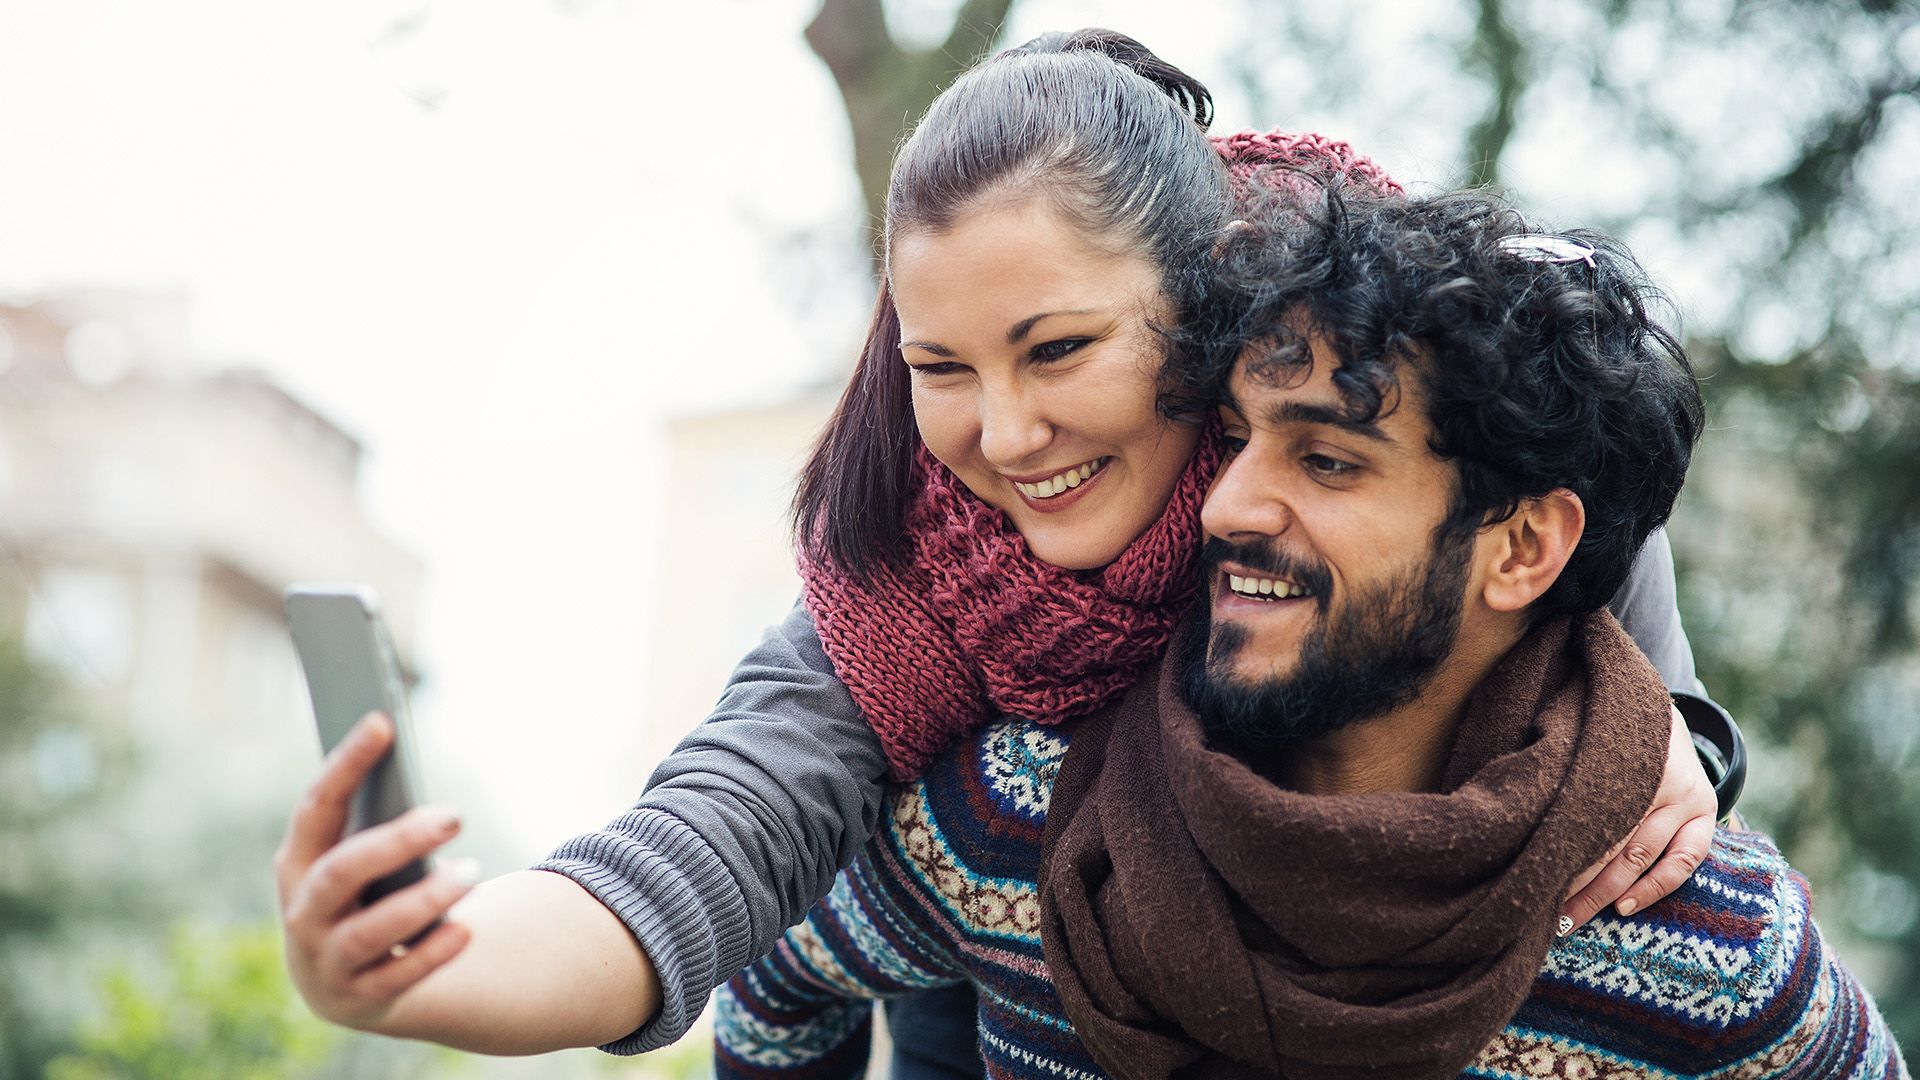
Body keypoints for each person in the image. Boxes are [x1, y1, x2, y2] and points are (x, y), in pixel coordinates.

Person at [274, 30, 1730, 1070]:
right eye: (943, 366)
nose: (1008, 433)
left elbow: (1563, 456)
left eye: (1060, 349)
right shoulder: (903, 581)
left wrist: (1661, 720)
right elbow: (700, 850)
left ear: (1206, 301)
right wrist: (443, 965)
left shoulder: (1320, 413)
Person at [713, 185, 1903, 1078]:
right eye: (1238, 439)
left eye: (1328, 459)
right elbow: (774, 985)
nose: (1227, 504)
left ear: (1524, 547)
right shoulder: (1017, 815)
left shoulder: (1715, 954)